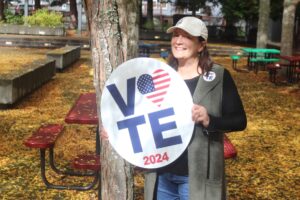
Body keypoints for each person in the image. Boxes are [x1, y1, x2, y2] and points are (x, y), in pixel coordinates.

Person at [143, 16, 247, 200]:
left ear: (201, 45)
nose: (178, 41)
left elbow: (239, 120)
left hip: (195, 176)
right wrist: (118, 134)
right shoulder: (161, 76)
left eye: (187, 36)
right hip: (161, 173)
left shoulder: (218, 76)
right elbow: (142, 118)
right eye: (175, 35)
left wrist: (210, 120)